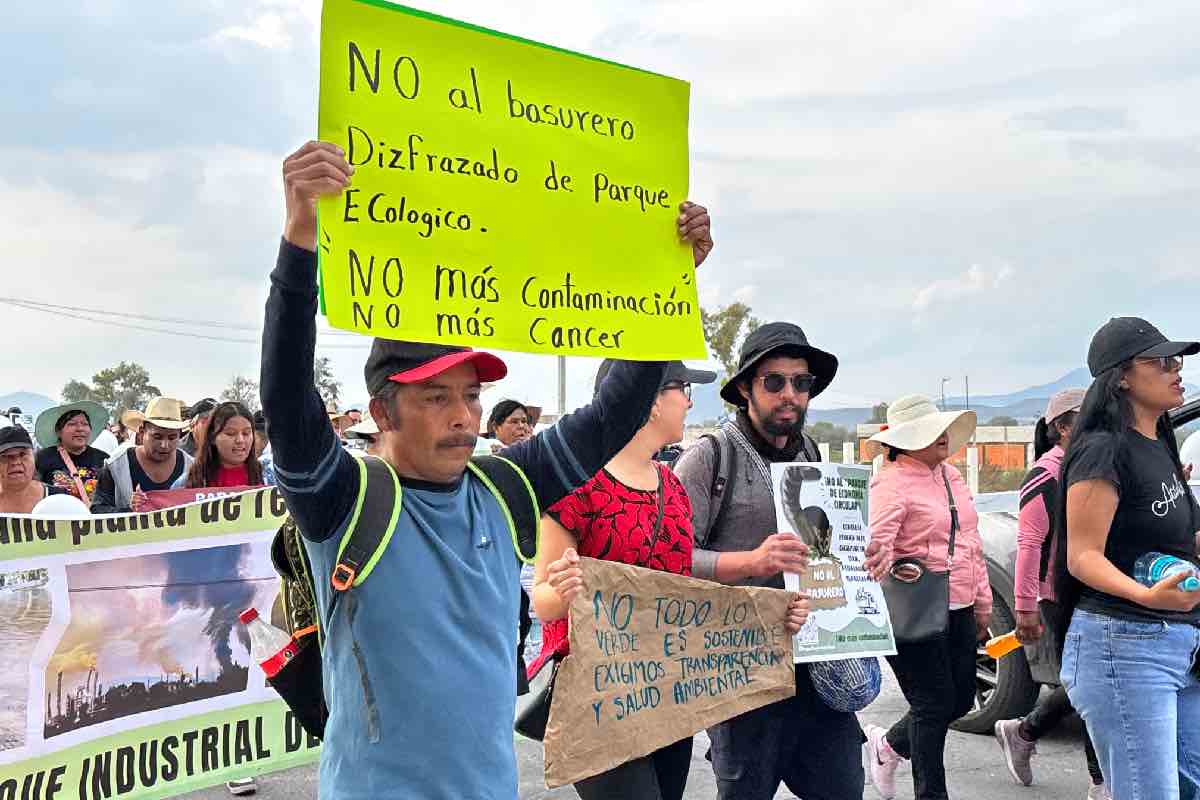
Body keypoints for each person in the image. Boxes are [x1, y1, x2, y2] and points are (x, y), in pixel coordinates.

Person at [263, 139, 713, 800]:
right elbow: (286, 396)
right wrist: (301, 233)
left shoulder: (504, 488)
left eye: (470, 395)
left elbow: (616, 413)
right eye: (435, 397)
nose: (463, 416)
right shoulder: (345, 498)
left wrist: (668, 282)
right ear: (382, 413)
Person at [534, 360, 808, 799]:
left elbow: (689, 597)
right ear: (649, 399)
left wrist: (774, 616)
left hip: (666, 693)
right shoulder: (575, 487)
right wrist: (565, 590)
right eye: (681, 388)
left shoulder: (672, 487)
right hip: (601, 700)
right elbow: (543, 602)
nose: (689, 400)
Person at [673, 321, 865, 800]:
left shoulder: (811, 453)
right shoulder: (709, 457)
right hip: (743, 671)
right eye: (774, 382)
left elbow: (827, 549)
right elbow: (669, 562)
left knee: (843, 788)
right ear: (744, 389)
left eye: (801, 384)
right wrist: (752, 562)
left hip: (818, 662)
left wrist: (863, 560)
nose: (790, 395)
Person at [1054, 317, 1200, 799]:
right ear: (1120, 377)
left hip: (1181, 643)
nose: (1175, 370)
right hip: (1123, 646)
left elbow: (1186, 536)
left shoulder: (1160, 442)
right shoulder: (1102, 449)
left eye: (1176, 360)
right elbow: (1082, 555)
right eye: (1159, 362)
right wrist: (1146, 595)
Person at [861, 394, 990, 800]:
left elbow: (970, 541)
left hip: (960, 604)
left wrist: (982, 600)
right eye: (930, 431)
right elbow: (874, 547)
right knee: (932, 706)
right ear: (904, 440)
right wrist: (878, 559)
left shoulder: (951, 477)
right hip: (914, 606)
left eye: (942, 430)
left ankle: (889, 747)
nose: (943, 437)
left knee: (960, 699)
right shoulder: (891, 482)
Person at [993, 389, 1108, 799]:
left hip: (1101, 590)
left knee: (1087, 682)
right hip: (1059, 597)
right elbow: (1028, 545)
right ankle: (1101, 782)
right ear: (1062, 428)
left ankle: (1023, 732)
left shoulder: (1093, 467)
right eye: (1088, 417)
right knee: (1090, 684)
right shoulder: (1046, 476)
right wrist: (1025, 607)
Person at [92, 398, 194, 514]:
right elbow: (97, 509)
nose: (165, 445)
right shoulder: (116, 465)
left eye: (172, 438)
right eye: (157, 437)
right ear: (141, 432)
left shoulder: (192, 467)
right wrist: (129, 511)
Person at [33, 400, 110, 506]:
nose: (80, 429)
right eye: (72, 424)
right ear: (59, 431)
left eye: (85, 424)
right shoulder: (43, 458)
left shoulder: (103, 459)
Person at [185, 401, 264, 489]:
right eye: (230, 433)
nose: (240, 440)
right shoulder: (191, 480)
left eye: (246, 433)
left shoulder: (268, 476)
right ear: (212, 437)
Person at [0, 426, 66, 514]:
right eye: (5, 457)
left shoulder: (60, 499)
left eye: (23, 454)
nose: (16, 462)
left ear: (34, 457)